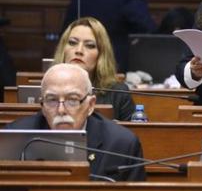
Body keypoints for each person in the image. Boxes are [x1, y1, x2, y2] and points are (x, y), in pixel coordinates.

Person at [5, 64, 145, 181]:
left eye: (72, 100)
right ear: (42, 105)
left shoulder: (121, 144)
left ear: (90, 105)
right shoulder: (14, 138)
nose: (61, 110)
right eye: (52, 100)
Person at [54, 17, 135, 121]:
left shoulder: (118, 93)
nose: (79, 50)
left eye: (90, 46)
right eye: (72, 43)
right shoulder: (48, 88)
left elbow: (132, 135)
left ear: (101, 55)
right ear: (63, 49)